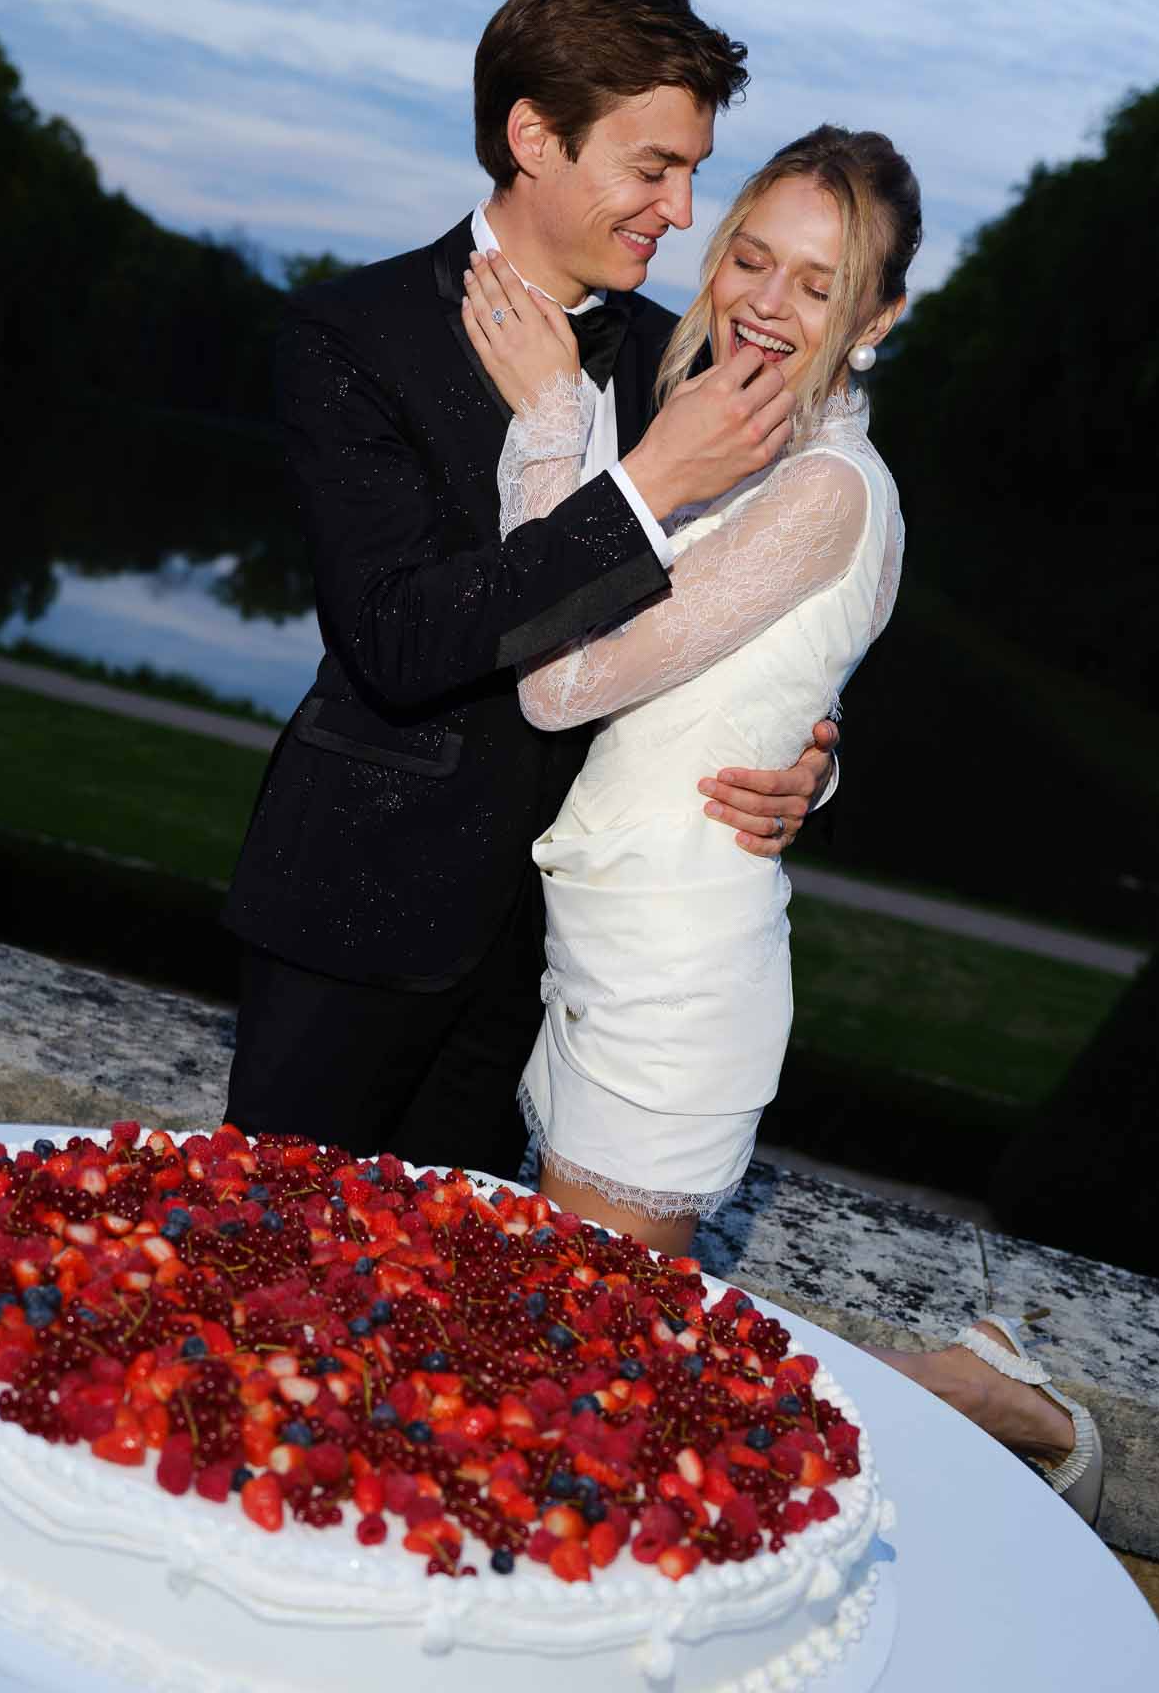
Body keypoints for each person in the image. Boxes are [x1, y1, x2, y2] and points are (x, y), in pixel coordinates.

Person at [465, 127, 1102, 1522]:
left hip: (668, 983)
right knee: (606, 1362)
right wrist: (810, 763)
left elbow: (560, 682)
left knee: (604, 1394)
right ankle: (961, 1380)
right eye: (750, 254)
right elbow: (750, 681)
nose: (764, 299)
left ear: (876, 321)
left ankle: (966, 1392)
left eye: (818, 284)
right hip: (601, 940)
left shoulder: (817, 489)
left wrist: (548, 423)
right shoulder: (737, 444)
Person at [221, 0, 841, 1180]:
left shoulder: (689, 362)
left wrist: (809, 754)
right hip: (359, 912)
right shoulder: (353, 338)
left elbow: (775, 591)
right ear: (533, 137)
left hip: (578, 953)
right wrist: (648, 487)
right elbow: (399, 640)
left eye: (695, 173)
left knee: (468, 1335)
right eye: (653, 166)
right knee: (265, 1280)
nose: (679, 207)